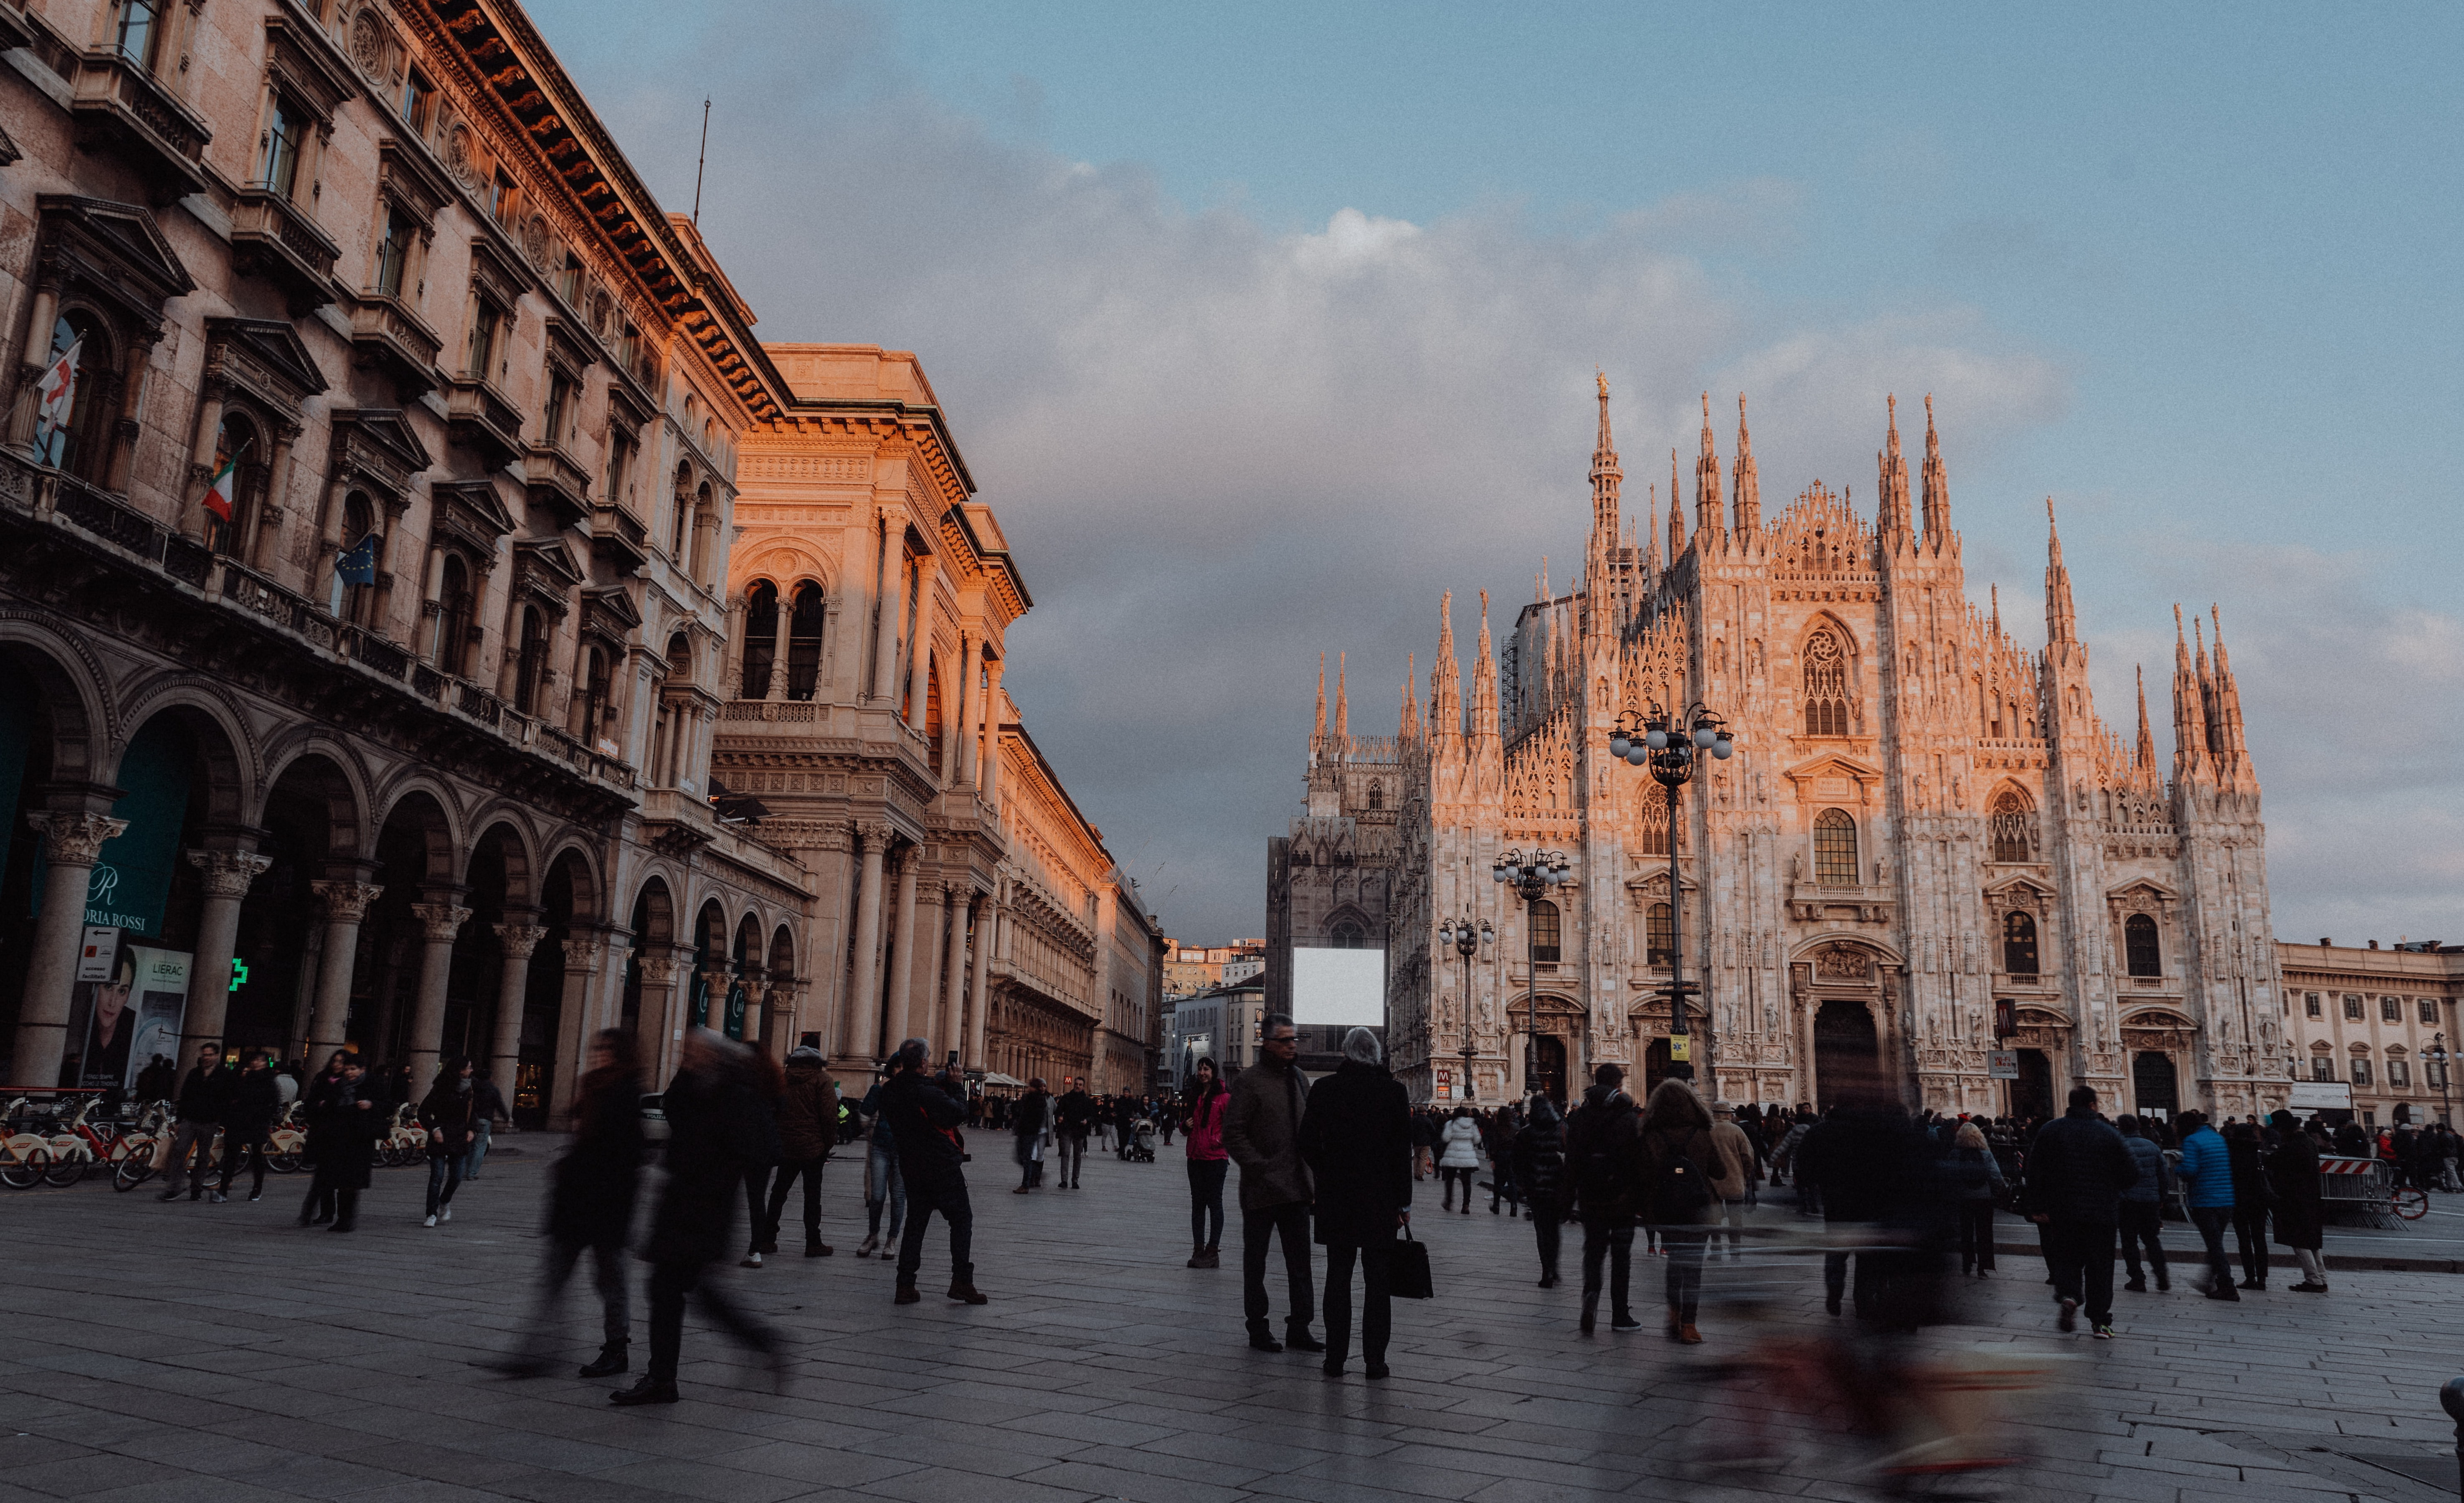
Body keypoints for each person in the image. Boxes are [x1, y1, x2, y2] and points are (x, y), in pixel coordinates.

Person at [613, 1030, 783, 1406]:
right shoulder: (695, 1087)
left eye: (693, 1052)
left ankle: (663, 1378)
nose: (685, 1055)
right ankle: (760, 1344)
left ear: (714, 1057)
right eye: (684, 1051)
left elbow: (765, 1147)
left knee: (670, 1290)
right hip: (680, 1204)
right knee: (685, 1292)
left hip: (707, 1208)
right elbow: (673, 1112)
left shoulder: (737, 1095)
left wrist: (721, 1165)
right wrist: (687, 1074)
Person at [500, 1029, 643, 1380]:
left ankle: (616, 1350)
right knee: (554, 1280)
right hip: (576, 1202)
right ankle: (536, 1351)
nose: (600, 1055)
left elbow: (628, 1158)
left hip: (607, 1205)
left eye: (608, 1050)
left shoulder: (627, 1092)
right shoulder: (591, 1087)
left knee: (611, 1283)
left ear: (623, 1055)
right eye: (597, 1049)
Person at [1298, 1028, 1410, 1379]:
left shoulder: (1325, 1089)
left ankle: (1335, 1360)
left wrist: (1327, 1172)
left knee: (1338, 1277)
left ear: (1345, 1054)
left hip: (1338, 1198)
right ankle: (1375, 1362)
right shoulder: (1394, 1093)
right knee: (1378, 1282)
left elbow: (1306, 1143)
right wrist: (1403, 1204)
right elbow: (1401, 1155)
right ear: (1377, 1055)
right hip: (1381, 1200)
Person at [1223, 1012, 1319, 1354]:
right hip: (1262, 1189)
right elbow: (1232, 1133)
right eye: (1285, 1040)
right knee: (1257, 1263)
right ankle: (1258, 1327)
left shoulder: (1298, 1078)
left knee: (1301, 1263)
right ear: (1267, 1043)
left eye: (1294, 1039)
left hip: (1296, 1187)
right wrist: (1258, 1167)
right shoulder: (1249, 1082)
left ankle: (1300, 1326)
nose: (1293, 1045)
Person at [2021, 1085, 2138, 1338]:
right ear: (2093, 1105)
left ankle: (2070, 1296)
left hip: (2063, 1212)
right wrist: (2112, 1188)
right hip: (2102, 1214)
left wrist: (2038, 1207)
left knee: (2067, 1259)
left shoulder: (2051, 1130)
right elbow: (2131, 1173)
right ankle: (2100, 1323)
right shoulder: (2109, 1134)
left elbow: (2034, 1172)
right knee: (2100, 1267)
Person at [877, 1037, 986, 1306]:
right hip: (941, 1166)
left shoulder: (889, 1091)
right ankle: (962, 1280)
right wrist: (958, 1087)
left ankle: (905, 1285)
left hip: (911, 1165)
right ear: (924, 1063)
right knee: (961, 1220)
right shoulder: (925, 1090)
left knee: (915, 1224)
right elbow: (957, 1113)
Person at [1637, 1079, 1734, 1344]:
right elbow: (1720, 1171)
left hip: (1666, 1211)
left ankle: (1673, 1314)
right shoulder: (1701, 1134)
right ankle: (1689, 1325)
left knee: (1675, 1264)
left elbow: (1643, 1175)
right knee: (1693, 1268)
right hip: (1698, 1210)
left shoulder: (1651, 1136)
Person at [1566, 1063, 1642, 1335]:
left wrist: (1567, 1199)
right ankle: (1620, 1315)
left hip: (1590, 1198)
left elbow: (1571, 1162)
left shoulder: (1579, 1117)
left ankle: (1591, 1295)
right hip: (1622, 1200)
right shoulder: (1628, 1117)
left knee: (1594, 1252)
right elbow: (1638, 1162)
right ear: (1619, 1086)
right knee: (1621, 1257)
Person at [763, 1044, 839, 1258]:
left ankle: (768, 1238)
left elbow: (774, 1109)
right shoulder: (823, 1080)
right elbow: (829, 1116)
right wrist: (828, 1143)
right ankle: (813, 1242)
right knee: (812, 1196)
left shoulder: (782, 1079)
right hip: (814, 1147)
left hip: (787, 1145)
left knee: (779, 1193)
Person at [307, 1054, 381, 1232]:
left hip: (361, 1141)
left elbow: (386, 1106)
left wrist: (371, 1105)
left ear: (362, 1070)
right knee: (341, 1181)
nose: (349, 1073)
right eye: (347, 1069)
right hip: (340, 1140)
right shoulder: (339, 1087)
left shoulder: (372, 1085)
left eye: (353, 1069)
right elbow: (329, 1111)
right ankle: (342, 1219)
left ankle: (348, 1219)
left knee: (352, 1182)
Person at [2172, 1109, 2237, 1301]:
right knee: (2215, 1243)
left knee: (2215, 1245)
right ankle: (2209, 1281)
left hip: (2206, 1200)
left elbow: (2190, 1170)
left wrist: (2178, 1168)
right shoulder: (2216, 1138)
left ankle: (2228, 1286)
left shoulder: (2192, 1141)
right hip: (2226, 1200)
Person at [158, 1042, 231, 1202]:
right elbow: (184, 1097)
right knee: (179, 1152)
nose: (207, 1058)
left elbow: (228, 1099)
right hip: (189, 1120)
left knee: (203, 1156)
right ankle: (175, 1187)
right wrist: (179, 1120)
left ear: (216, 1056)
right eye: (205, 1055)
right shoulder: (194, 1073)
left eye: (210, 1055)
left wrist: (221, 1117)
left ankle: (196, 1189)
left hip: (209, 1121)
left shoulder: (224, 1074)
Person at [2265, 1110, 2329, 1293]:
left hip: (2296, 1198)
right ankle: (2321, 1278)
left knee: (2299, 1240)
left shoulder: (2292, 1145)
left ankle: (2313, 1279)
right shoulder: (2308, 1142)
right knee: (2313, 1241)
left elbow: (2275, 1163)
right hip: (2311, 1196)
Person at [735, 1049, 786, 1268]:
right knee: (757, 1201)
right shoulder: (773, 1083)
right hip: (764, 1149)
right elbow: (782, 1111)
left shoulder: (740, 1082)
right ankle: (756, 1249)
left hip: (740, 1147)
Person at [1512, 1095, 1568, 1286]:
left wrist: (1522, 1185)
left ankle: (1547, 1272)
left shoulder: (1526, 1133)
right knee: (1554, 1230)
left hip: (1536, 1188)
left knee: (1542, 1231)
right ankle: (1555, 1267)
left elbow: (1518, 1162)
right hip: (1556, 1187)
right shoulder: (1561, 1128)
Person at [418, 1058, 479, 1227]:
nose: (471, 1071)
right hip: (441, 1135)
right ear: (459, 1070)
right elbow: (423, 1112)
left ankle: (444, 1201)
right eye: (469, 1068)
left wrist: (472, 1130)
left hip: (460, 1136)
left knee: (457, 1176)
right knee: (437, 1176)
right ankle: (431, 1213)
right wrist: (435, 1128)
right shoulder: (440, 1089)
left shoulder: (470, 1089)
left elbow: (474, 1112)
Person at [215, 1048, 283, 1203]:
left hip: (257, 1122)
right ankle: (223, 1190)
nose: (256, 1063)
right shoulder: (243, 1077)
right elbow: (230, 1095)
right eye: (254, 1060)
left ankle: (257, 1189)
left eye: (260, 1060)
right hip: (238, 1121)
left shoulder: (269, 1081)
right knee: (231, 1155)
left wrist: (262, 1114)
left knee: (257, 1156)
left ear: (266, 1064)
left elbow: (273, 1103)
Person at [1183, 1057, 1231, 1268]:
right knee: (1197, 1205)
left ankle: (1213, 1251)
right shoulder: (1194, 1095)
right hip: (1195, 1157)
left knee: (1215, 1204)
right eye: (1200, 1069)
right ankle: (1198, 1250)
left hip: (1215, 1159)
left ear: (1214, 1072)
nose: (1203, 1073)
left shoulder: (1224, 1098)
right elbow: (1184, 1125)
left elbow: (1231, 1128)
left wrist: (1215, 1140)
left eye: (1207, 1069)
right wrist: (1185, 1125)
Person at [2116, 1115, 2171, 1293]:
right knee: (2152, 1240)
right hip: (2150, 1201)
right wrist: (2162, 1197)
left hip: (2127, 1201)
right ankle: (2162, 1276)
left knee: (2129, 1241)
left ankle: (2137, 1278)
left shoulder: (2118, 1147)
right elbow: (2164, 1175)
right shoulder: (2152, 1147)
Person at [296, 1051, 352, 1225]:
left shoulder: (349, 1082)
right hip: (321, 1134)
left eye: (341, 1062)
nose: (337, 1065)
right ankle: (323, 1213)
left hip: (340, 1136)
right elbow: (310, 1103)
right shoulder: (322, 1078)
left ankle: (316, 1212)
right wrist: (318, 1106)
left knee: (327, 1177)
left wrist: (326, 1104)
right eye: (335, 1061)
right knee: (323, 1175)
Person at [1944, 1121, 2005, 1277]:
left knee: (1966, 1232)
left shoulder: (1955, 1154)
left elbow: (1950, 1177)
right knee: (1984, 1233)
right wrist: (1997, 1191)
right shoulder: (1985, 1153)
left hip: (1964, 1198)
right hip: (1984, 1198)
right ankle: (1983, 1268)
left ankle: (1967, 1264)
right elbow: (1995, 1175)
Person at [856, 1080, 905, 1259]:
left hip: (903, 1148)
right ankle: (873, 1235)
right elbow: (866, 1110)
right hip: (881, 1145)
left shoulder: (914, 1088)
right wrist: (877, 1091)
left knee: (899, 1196)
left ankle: (891, 1239)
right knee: (877, 1196)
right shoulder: (881, 1089)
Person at [2223, 1120, 2270, 1291]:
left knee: (2244, 1240)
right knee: (2260, 1239)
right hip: (2259, 1201)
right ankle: (2262, 1279)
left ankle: (2250, 1277)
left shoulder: (2231, 1153)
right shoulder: (2257, 1152)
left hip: (2240, 1201)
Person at [1709, 1102, 1759, 1258]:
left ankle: (1716, 1250)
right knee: (1736, 1219)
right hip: (1734, 1181)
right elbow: (1748, 1156)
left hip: (1712, 1183)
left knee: (1714, 1218)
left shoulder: (1707, 1131)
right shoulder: (1737, 1131)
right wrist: (1744, 1174)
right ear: (1727, 1115)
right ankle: (1735, 1250)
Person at [464, 1070, 512, 1180]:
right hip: (485, 1120)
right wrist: (506, 1118)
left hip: (472, 1119)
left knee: (470, 1146)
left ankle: (464, 1171)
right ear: (490, 1077)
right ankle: (472, 1173)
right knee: (480, 1147)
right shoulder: (493, 1090)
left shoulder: (473, 1088)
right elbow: (500, 1105)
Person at [1437, 1106, 1481, 1213]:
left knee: (1450, 1181)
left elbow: (1446, 1138)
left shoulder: (1451, 1124)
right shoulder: (1472, 1124)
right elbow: (1477, 1139)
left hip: (1453, 1155)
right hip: (1467, 1156)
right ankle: (1466, 1205)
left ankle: (1449, 1201)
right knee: (1467, 1183)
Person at [1011, 1078, 1051, 1192]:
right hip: (1024, 1131)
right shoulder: (1028, 1098)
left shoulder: (1038, 1100)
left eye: (1031, 1086)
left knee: (1026, 1158)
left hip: (1030, 1132)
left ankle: (1026, 1185)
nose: (1029, 1088)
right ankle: (1035, 1174)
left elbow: (1034, 1117)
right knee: (1020, 1157)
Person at [1054, 1078, 1094, 1189]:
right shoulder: (1066, 1098)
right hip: (1067, 1129)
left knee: (1077, 1156)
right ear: (1074, 1085)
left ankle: (1075, 1180)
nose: (1078, 1086)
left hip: (1080, 1131)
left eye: (1080, 1085)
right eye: (1076, 1084)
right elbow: (1058, 1111)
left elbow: (1092, 1115)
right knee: (1066, 1154)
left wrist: (1087, 1120)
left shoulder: (1086, 1101)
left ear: (1083, 1086)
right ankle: (1064, 1180)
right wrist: (1060, 1118)